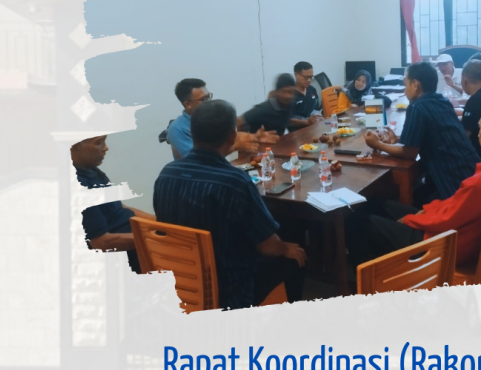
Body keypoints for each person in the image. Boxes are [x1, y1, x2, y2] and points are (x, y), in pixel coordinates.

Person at [154, 100, 307, 309]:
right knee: (294, 253)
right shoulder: (234, 181)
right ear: (232, 137)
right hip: (230, 290)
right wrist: (286, 247)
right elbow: (269, 246)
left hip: (182, 279)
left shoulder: (166, 174)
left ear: (193, 133)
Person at [348, 99, 481, 269]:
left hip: (442, 246)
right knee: (375, 204)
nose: (478, 133)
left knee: (356, 222)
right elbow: (455, 207)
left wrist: (411, 220)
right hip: (456, 234)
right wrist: (426, 212)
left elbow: (446, 220)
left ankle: (370, 281)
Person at [364, 61, 478, 205]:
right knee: (417, 192)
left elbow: (409, 152)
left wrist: (378, 144)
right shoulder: (442, 101)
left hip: (453, 185)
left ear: (415, 85)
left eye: (406, 85)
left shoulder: (417, 107)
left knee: (383, 201)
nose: (405, 91)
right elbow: (429, 134)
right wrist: (396, 139)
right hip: (471, 175)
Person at [71, 135, 155, 272]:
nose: (106, 148)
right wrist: (155, 239)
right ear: (74, 146)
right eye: (99, 143)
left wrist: (160, 222)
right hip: (123, 260)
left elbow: (119, 208)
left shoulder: (93, 171)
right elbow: (101, 243)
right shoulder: (78, 186)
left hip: (136, 241)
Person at [163, 78, 273, 158]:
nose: (209, 102)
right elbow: (197, 161)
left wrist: (255, 137)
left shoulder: (213, 120)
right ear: (188, 104)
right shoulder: (177, 129)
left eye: (209, 97)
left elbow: (230, 139)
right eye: (204, 99)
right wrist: (234, 147)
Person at [288, 61, 321, 130]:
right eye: (306, 77)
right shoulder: (289, 94)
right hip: (297, 133)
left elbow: (317, 109)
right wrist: (307, 122)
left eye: (311, 77)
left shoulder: (312, 90)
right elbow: (287, 120)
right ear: (296, 75)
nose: (309, 80)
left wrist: (318, 117)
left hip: (313, 129)